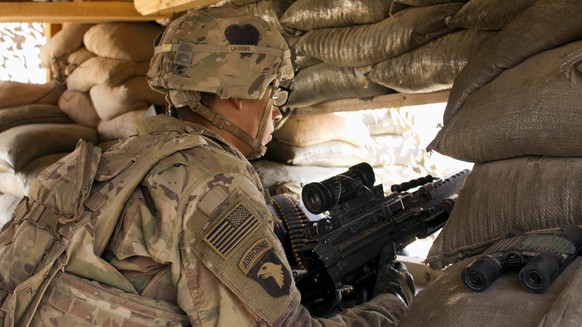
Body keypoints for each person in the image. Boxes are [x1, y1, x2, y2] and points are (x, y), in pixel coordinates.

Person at [13, 7, 414, 326]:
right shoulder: (213, 183)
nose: (276, 112)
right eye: (274, 91)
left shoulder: (112, 159)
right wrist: (388, 307)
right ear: (240, 93)